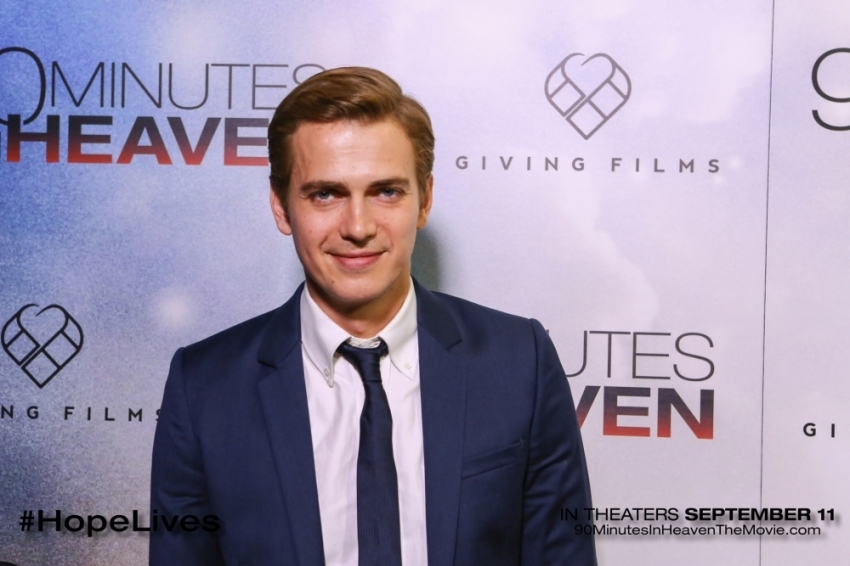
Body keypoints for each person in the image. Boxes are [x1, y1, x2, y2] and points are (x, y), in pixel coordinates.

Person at [150, 67, 596, 566]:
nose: (358, 227)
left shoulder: (519, 362)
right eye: (326, 194)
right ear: (280, 206)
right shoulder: (205, 386)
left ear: (424, 199)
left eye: (386, 191)